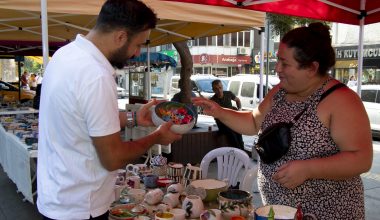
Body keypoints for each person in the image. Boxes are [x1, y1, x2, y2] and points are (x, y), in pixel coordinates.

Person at [193, 22, 373, 219]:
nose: (277, 68)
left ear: (312, 68)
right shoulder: (280, 91)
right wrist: (220, 112)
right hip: (277, 210)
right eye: (278, 60)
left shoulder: (340, 100)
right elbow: (254, 122)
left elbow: (361, 159)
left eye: (285, 63)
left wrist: (309, 169)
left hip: (328, 213)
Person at [37, 1, 182, 219]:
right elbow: (112, 159)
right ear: (121, 36)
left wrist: (134, 118)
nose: (136, 53)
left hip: (58, 196)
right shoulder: (96, 75)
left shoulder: (65, 55)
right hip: (81, 207)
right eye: (138, 44)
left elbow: (82, 118)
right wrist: (156, 137)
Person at [210, 79, 244, 150]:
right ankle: (238, 152)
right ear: (213, 90)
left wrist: (239, 109)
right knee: (233, 135)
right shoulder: (212, 101)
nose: (219, 90)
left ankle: (242, 152)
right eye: (216, 89)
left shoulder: (228, 94)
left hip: (232, 121)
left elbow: (237, 100)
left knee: (239, 131)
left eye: (220, 87)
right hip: (222, 123)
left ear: (222, 86)